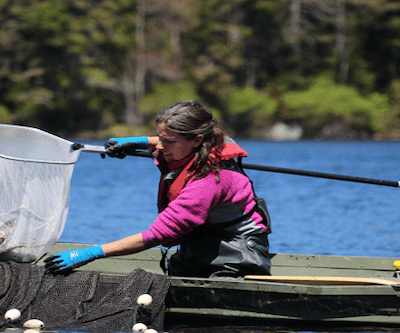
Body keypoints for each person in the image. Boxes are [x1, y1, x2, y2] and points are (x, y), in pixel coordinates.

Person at [45, 100, 272, 278]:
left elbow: (158, 235)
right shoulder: (207, 142)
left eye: (168, 142)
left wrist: (91, 253)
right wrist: (141, 141)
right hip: (203, 248)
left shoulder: (208, 181)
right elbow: (169, 140)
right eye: (160, 138)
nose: (161, 147)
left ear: (197, 140)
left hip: (238, 256)